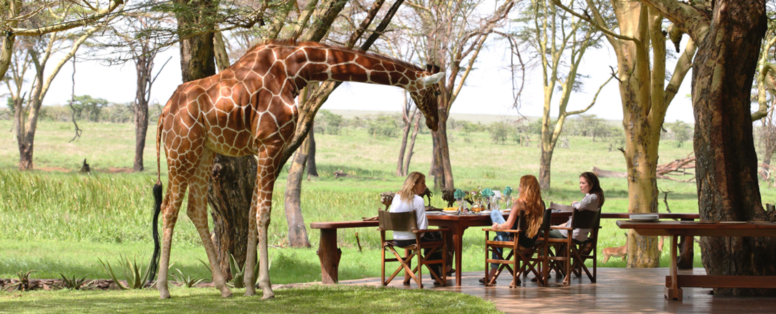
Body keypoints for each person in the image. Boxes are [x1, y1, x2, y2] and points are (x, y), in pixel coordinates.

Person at [480, 175, 545, 284]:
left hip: (516, 240)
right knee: (497, 238)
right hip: (532, 241)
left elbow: (508, 226)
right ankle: (513, 276)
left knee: (495, 213)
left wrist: (498, 227)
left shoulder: (519, 203)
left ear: (526, 188)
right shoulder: (540, 204)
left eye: (520, 186)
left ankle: (492, 274)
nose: (518, 189)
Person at [389, 171, 445, 284]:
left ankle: (439, 273)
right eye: (422, 183)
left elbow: (391, 218)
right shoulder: (418, 200)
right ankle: (439, 274)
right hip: (413, 239)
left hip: (397, 239)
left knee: (432, 235)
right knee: (437, 237)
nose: (425, 186)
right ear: (414, 184)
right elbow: (423, 227)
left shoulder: (396, 197)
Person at [548, 171, 605, 242]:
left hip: (571, 234)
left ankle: (542, 253)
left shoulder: (592, 197)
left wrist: (574, 203)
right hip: (577, 234)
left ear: (592, 184)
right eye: (580, 183)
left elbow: (578, 206)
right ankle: (561, 252)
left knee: (539, 232)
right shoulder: (595, 198)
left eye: (583, 183)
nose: (580, 186)